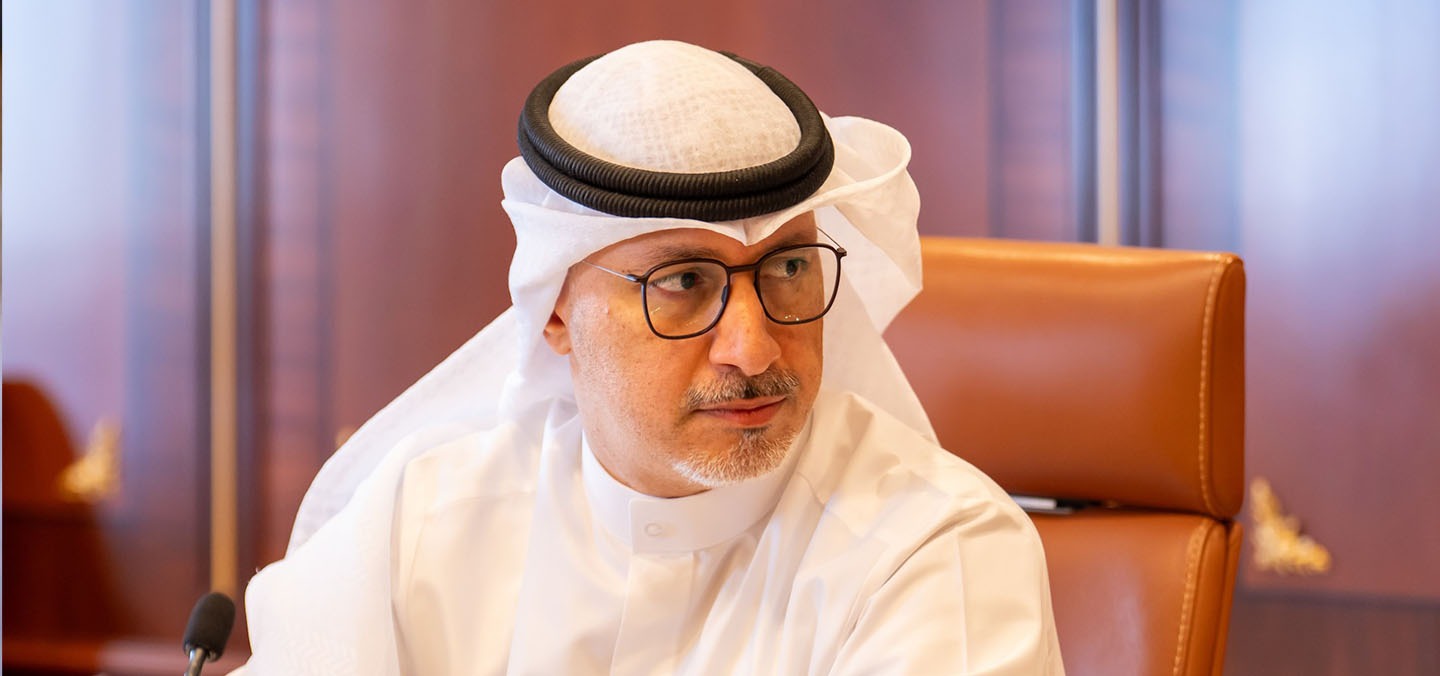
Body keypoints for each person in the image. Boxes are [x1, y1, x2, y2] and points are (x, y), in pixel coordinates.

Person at [238, 40, 1063, 675]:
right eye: (684, 283)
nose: (752, 349)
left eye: (788, 268)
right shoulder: (417, 526)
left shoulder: (934, 547)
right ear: (556, 311)